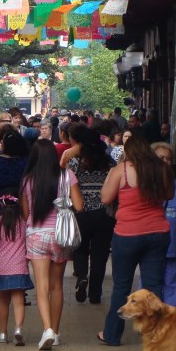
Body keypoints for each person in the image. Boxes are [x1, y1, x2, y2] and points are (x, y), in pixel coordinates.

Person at [98, 135, 174, 346]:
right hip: (158, 233)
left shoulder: (121, 170)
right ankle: (156, 335)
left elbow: (105, 198)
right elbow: (168, 194)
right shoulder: (161, 169)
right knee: (153, 287)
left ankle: (112, 335)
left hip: (127, 235)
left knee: (121, 286)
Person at [22, 139, 83, 350]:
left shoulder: (27, 180)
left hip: (37, 235)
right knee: (57, 286)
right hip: (60, 235)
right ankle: (55, 333)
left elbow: (25, 214)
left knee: (42, 286)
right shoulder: (67, 176)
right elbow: (79, 206)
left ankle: (46, 328)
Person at [65, 123, 115, 305]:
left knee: (80, 249)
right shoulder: (108, 162)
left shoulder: (74, 163)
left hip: (81, 212)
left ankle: (81, 276)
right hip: (104, 213)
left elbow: (63, 182)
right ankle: (95, 293)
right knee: (100, 255)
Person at [0, 186, 33, 346]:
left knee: (3, 301)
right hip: (19, 266)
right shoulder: (24, 223)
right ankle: (18, 329)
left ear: (2, 203)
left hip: (1, 267)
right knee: (18, 300)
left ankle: (2, 333)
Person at [152, 142, 176, 307]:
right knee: (152, 285)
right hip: (153, 246)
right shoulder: (147, 184)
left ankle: (170, 326)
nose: (166, 162)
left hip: (173, 245)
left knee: (172, 285)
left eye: (169, 159)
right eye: (161, 158)